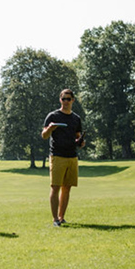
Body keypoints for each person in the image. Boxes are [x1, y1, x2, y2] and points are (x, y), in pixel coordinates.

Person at [41, 88, 85, 226]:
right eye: (63, 99)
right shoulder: (53, 116)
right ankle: (55, 220)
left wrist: (81, 142)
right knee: (55, 187)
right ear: (60, 100)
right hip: (57, 155)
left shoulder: (76, 118)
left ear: (73, 100)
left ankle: (61, 217)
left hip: (72, 156)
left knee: (67, 187)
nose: (66, 102)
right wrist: (50, 129)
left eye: (68, 99)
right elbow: (44, 135)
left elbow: (78, 137)